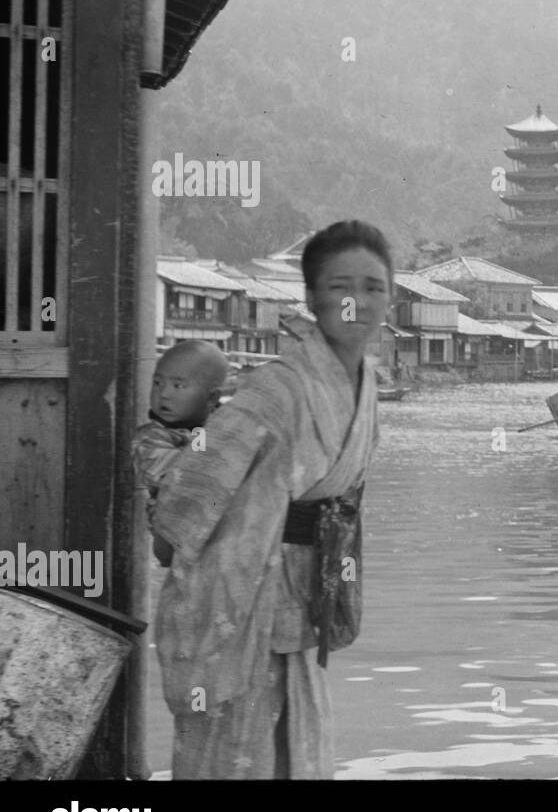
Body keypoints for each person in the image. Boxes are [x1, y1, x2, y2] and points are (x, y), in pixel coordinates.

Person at [153, 220, 392, 778]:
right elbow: (194, 488)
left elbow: (348, 504)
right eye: (340, 286)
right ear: (311, 298)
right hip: (244, 601)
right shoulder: (276, 388)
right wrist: (189, 549)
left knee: (297, 755)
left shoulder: (366, 385)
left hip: (301, 601)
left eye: (374, 287)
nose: (359, 301)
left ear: (391, 298)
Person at [133, 340, 230, 568]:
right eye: (157, 383)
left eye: (178, 386)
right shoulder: (150, 437)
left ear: (212, 398)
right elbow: (182, 475)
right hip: (173, 539)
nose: (164, 394)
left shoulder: (222, 425)